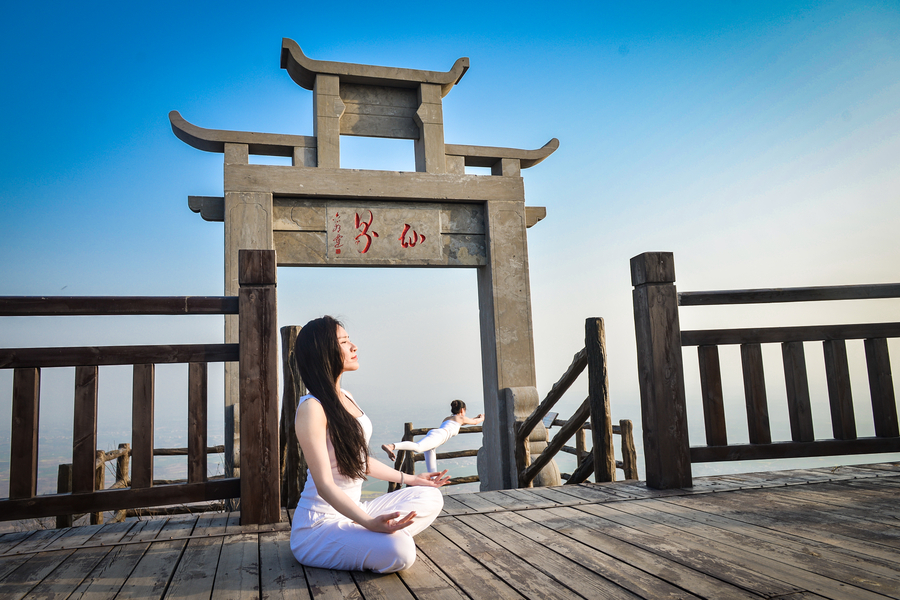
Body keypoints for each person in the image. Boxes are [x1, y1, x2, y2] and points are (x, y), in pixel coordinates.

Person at [290, 316, 450, 573]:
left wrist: (413, 479)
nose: (354, 347)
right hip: (318, 527)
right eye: (344, 342)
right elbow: (324, 485)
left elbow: (360, 463)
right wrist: (369, 523)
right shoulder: (312, 408)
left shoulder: (346, 397)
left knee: (430, 496)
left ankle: (367, 536)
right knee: (402, 552)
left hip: (355, 511)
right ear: (324, 352)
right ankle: (375, 537)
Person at [382, 400, 485, 474]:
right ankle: (391, 446)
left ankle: (433, 484)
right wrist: (483, 417)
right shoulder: (461, 418)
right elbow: (474, 422)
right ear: (462, 410)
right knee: (418, 447)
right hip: (440, 435)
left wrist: (477, 417)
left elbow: (467, 421)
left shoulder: (449, 418)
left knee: (431, 465)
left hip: (435, 433)